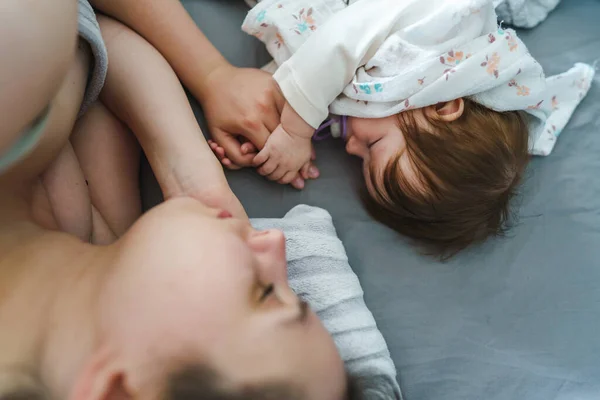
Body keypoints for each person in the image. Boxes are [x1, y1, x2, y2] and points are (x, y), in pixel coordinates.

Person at [0, 0, 348, 398]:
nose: (276, 241)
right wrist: (190, 170)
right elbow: (103, 47)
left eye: (266, 292)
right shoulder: (99, 256)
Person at [211, 0, 593, 257]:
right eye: (373, 147)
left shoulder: (395, 104)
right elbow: (337, 44)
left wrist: (264, 136)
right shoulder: (438, 29)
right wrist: (294, 131)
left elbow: (294, 82)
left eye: (361, 163)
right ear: (444, 105)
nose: (350, 149)